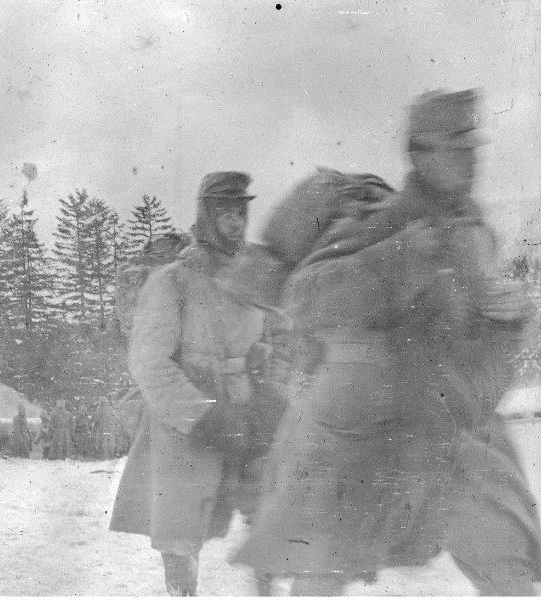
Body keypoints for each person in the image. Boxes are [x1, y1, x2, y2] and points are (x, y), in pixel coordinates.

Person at [231, 89, 541, 595]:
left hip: (450, 423)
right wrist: (396, 258)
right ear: (419, 153)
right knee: (322, 569)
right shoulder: (382, 221)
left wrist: (507, 321)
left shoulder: (475, 234)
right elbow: (306, 298)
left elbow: (477, 345)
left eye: (474, 147)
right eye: (455, 148)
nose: (471, 159)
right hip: (358, 425)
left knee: (509, 561)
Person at [109, 171, 289, 596]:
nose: (234, 222)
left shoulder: (253, 277)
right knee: (179, 537)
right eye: (224, 211)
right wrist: (202, 415)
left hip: (246, 410)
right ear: (205, 215)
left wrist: (270, 387)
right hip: (187, 424)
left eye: (240, 211)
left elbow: (276, 340)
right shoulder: (172, 280)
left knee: (271, 514)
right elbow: (149, 363)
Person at [92, 396, 119, 461]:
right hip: (110, 429)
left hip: (102, 429)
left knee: (102, 442)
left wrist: (95, 427)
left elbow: (96, 419)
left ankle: (104, 457)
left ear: (100, 402)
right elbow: (116, 418)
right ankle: (110, 456)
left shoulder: (99, 409)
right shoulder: (111, 409)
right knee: (110, 442)